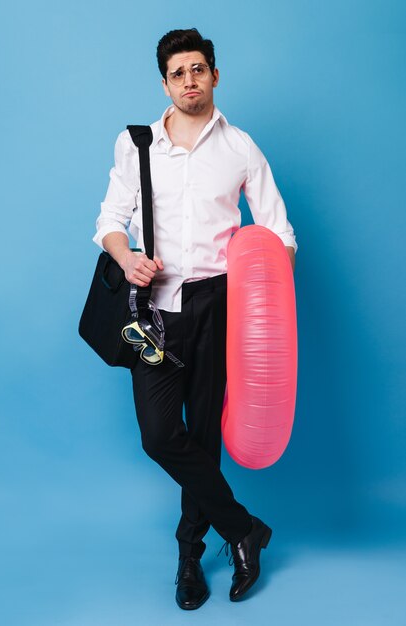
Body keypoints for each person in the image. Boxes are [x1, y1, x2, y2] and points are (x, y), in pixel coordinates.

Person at [93, 28, 298, 610]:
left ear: (214, 76)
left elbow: (279, 231)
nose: (189, 80)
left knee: (202, 437)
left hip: (219, 308)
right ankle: (243, 529)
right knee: (162, 435)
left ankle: (189, 557)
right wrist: (125, 254)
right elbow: (109, 217)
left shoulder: (240, 147)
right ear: (165, 82)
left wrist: (267, 299)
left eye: (199, 69)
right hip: (152, 308)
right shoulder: (135, 145)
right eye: (178, 72)